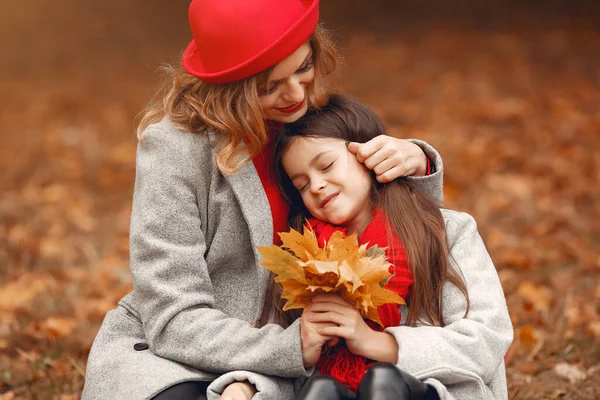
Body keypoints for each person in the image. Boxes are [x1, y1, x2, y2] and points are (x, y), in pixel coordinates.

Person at [81, 1, 445, 399]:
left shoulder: (310, 121)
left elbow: (403, 235)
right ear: (226, 85)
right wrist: (284, 350)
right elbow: (172, 317)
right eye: (267, 86)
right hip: (190, 354)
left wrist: (415, 162)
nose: (295, 94)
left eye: (304, 68)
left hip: (313, 357)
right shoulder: (176, 148)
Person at [249, 94, 513, 400]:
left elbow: (488, 337)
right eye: (302, 185)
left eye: (327, 165)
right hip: (337, 390)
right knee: (319, 390)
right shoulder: (303, 262)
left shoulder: (443, 231)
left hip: (430, 390)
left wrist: (379, 344)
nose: (317, 185)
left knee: (382, 381)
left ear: (369, 154)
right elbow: (278, 354)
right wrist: (294, 351)